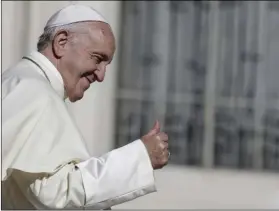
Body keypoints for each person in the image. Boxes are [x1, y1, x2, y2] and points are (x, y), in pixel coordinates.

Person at [2, 4, 170, 210]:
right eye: (97, 59)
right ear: (61, 42)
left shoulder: (19, 80)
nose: (101, 75)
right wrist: (139, 158)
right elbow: (54, 193)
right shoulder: (34, 92)